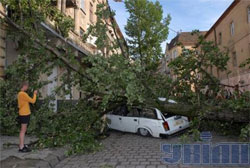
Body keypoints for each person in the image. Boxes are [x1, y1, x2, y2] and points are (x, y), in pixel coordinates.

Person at [17, 81, 37, 152]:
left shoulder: (20, 94)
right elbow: (33, 101)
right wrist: (35, 94)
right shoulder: (23, 94)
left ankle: (21, 144)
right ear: (24, 86)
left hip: (23, 113)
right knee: (23, 130)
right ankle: (21, 147)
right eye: (27, 86)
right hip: (24, 114)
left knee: (23, 130)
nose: (27, 87)